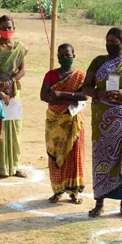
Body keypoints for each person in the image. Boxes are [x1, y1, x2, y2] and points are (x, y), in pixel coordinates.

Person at [81, 27, 122, 218]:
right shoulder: (98, 61)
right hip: (102, 123)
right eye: (107, 41)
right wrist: (98, 93)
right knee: (102, 159)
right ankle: (99, 202)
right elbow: (86, 87)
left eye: (113, 42)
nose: (109, 45)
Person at [39, 42, 87, 203]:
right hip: (55, 120)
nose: (65, 58)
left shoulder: (80, 75)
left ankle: (74, 192)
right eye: (62, 55)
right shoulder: (51, 75)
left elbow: (84, 96)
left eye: (68, 55)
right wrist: (70, 96)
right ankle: (58, 190)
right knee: (54, 155)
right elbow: (44, 96)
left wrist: (62, 94)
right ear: (58, 57)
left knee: (74, 155)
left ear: (74, 56)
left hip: (73, 121)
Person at [0, 15, 27, 179]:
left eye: (9, 27)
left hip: (14, 92)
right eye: (3, 27)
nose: (7, 30)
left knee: (14, 129)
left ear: (14, 28)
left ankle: (13, 166)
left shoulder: (19, 47)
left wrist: (11, 82)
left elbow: (22, 70)